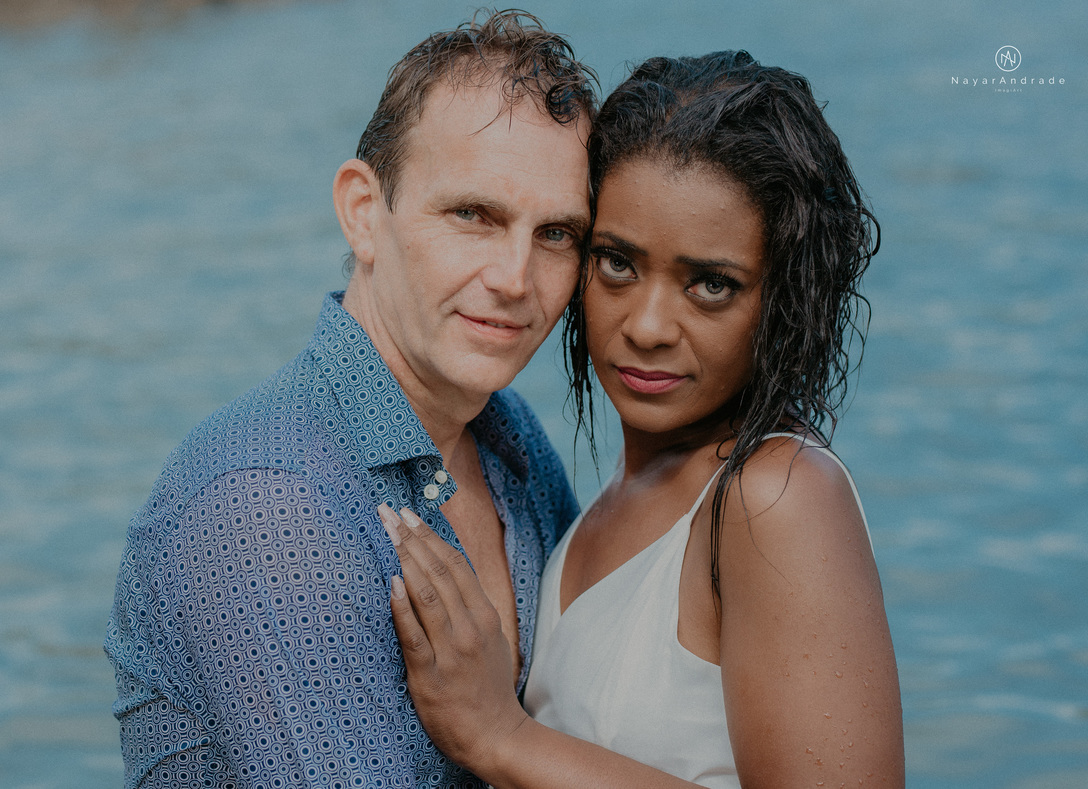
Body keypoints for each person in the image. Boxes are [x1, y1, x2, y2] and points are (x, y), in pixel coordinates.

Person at [380, 51, 905, 788]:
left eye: (711, 284)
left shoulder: (779, 496)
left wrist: (501, 736)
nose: (650, 325)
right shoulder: (610, 496)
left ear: (782, 302)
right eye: (618, 262)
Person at [104, 10, 596, 787]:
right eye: (474, 214)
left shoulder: (512, 439)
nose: (515, 277)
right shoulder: (266, 508)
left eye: (557, 234)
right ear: (364, 211)